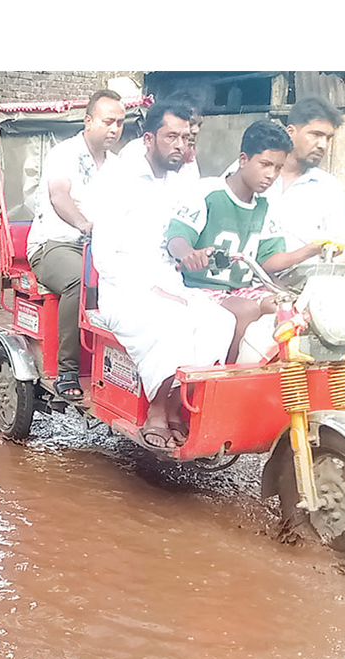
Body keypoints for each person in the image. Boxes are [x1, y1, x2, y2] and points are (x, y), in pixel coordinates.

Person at [90, 101, 236, 450]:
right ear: (149, 138)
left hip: (169, 283)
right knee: (173, 321)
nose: (180, 145)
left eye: (185, 138)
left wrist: (191, 258)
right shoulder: (119, 177)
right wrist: (153, 289)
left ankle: (175, 406)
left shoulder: (183, 180)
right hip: (124, 288)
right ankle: (157, 410)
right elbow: (104, 257)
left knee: (220, 321)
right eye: (171, 137)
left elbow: (180, 237)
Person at [168, 120, 325, 362]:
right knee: (248, 309)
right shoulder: (208, 192)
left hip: (241, 288)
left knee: (287, 308)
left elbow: (269, 260)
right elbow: (177, 237)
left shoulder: (265, 205)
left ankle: (269, 375)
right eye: (265, 164)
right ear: (243, 160)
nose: (271, 175)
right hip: (199, 289)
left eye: (278, 167)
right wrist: (189, 253)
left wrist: (309, 250)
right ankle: (225, 374)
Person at [26, 89, 127, 401]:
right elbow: (59, 196)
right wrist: (85, 225)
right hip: (54, 244)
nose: (115, 129)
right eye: (108, 121)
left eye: (120, 123)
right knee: (78, 281)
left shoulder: (118, 165)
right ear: (88, 121)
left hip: (101, 248)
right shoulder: (64, 154)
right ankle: (68, 369)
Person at [263, 96, 345, 264]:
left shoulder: (329, 188)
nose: (323, 145)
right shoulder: (254, 171)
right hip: (246, 282)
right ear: (290, 132)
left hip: (303, 285)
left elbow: (343, 252)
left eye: (328, 138)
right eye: (316, 135)